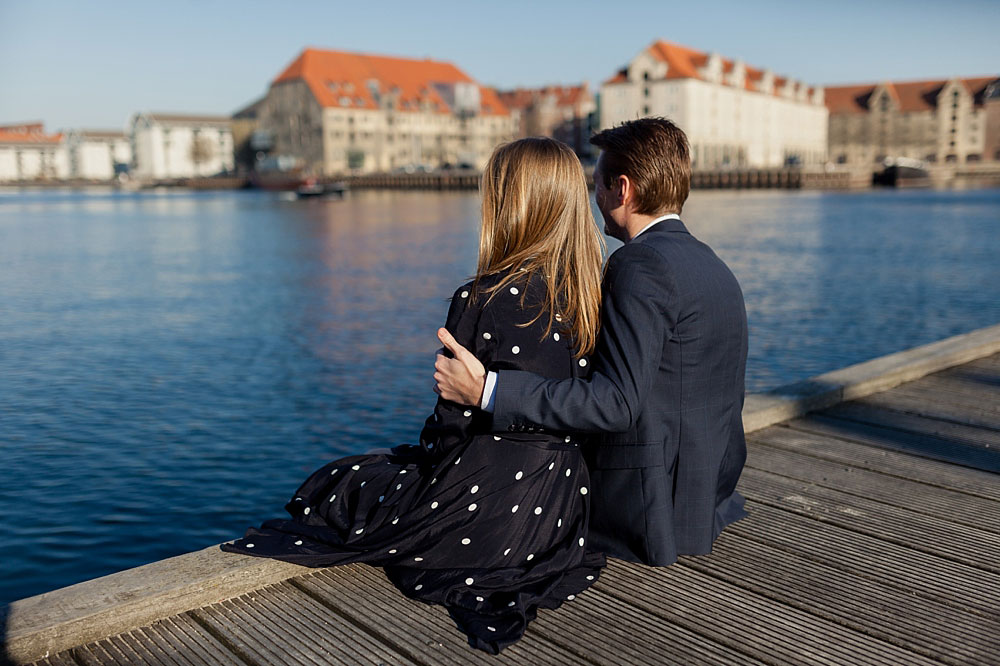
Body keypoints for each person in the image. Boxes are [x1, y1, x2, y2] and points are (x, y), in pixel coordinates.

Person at [222, 137, 607, 654]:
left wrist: (430, 462)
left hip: (491, 515)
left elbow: (449, 433)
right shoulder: (590, 298)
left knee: (340, 482)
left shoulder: (481, 299)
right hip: (559, 514)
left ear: (506, 203)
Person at [434, 117, 749, 567]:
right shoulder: (710, 263)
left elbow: (616, 403)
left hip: (651, 513)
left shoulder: (639, 267)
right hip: (708, 496)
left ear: (622, 189)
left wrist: (488, 390)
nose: (592, 200)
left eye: (596, 185)